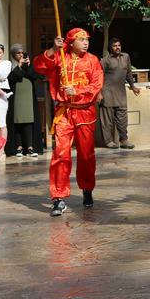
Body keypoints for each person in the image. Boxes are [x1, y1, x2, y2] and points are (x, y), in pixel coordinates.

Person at [34, 28, 104, 217]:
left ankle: (87, 189)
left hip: (85, 112)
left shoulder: (93, 60)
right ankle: (58, 198)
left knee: (86, 155)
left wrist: (79, 92)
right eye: (81, 40)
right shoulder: (60, 57)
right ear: (71, 42)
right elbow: (39, 66)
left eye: (87, 40)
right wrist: (51, 50)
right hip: (64, 112)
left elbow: (97, 84)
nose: (85, 43)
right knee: (61, 154)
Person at [99, 38, 140, 149]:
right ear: (110, 48)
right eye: (114, 45)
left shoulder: (125, 57)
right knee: (107, 120)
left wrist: (132, 86)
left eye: (119, 45)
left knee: (122, 119)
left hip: (121, 93)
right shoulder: (105, 60)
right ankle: (108, 141)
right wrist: (99, 92)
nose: (117, 47)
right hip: (107, 93)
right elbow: (98, 76)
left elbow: (129, 73)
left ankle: (124, 140)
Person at [7, 44, 42, 158]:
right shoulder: (10, 65)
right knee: (17, 120)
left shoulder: (28, 65)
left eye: (22, 53)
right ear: (13, 55)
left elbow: (35, 76)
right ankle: (19, 147)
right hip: (16, 97)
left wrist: (28, 65)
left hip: (28, 97)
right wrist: (19, 66)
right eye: (18, 53)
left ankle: (30, 147)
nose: (21, 55)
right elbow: (11, 79)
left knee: (29, 120)